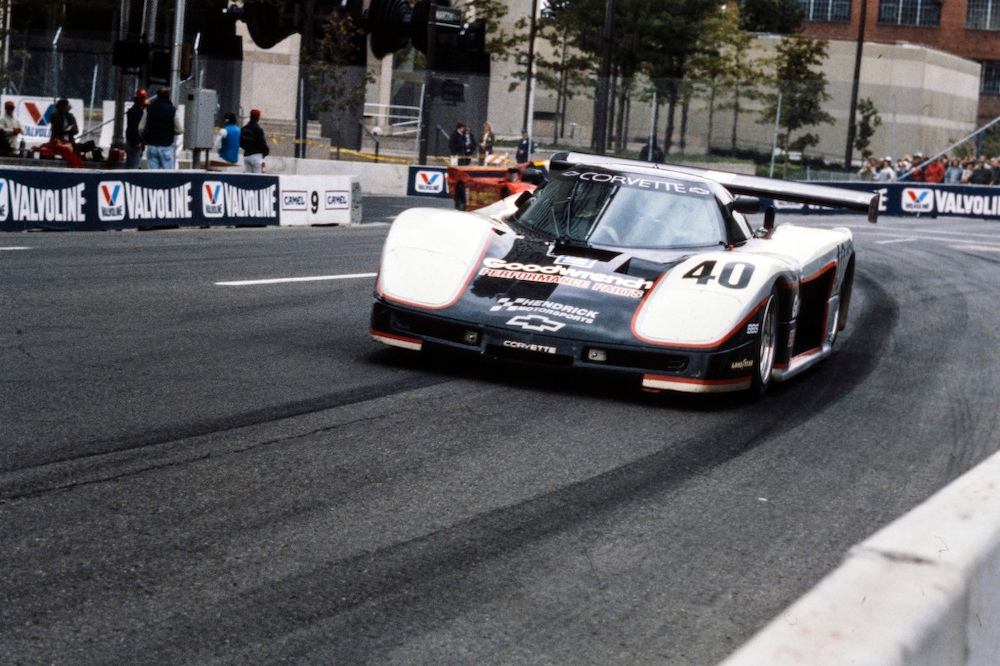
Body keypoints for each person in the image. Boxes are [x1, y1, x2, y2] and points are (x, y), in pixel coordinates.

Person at [139, 87, 182, 170]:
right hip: (166, 146)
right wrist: (171, 132)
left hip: (152, 146)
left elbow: (141, 128)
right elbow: (180, 129)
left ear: (157, 96)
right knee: (168, 174)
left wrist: (145, 138)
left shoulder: (149, 108)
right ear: (168, 97)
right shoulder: (172, 110)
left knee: (153, 174)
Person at [240, 108, 269, 173]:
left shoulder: (244, 129)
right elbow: (262, 143)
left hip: (246, 155)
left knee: (248, 176)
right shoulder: (258, 129)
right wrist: (266, 152)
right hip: (256, 156)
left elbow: (241, 142)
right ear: (258, 117)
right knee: (258, 176)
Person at [124, 88, 148, 169]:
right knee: (133, 165)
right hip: (134, 142)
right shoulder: (135, 112)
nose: (143, 100)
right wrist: (137, 143)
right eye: (141, 98)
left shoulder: (139, 111)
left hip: (135, 141)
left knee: (130, 163)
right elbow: (133, 128)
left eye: (143, 98)